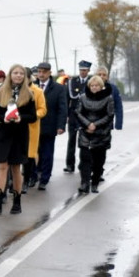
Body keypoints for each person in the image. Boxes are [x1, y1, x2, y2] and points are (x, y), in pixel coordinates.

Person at [0, 65, 38, 215]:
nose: (18, 76)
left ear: (25, 77)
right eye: (15, 73)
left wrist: (20, 118)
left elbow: (33, 116)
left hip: (19, 134)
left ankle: (17, 201)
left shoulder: (29, 94)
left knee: (16, 168)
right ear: (10, 75)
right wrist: (3, 118)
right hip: (3, 134)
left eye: (21, 73)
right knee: (2, 166)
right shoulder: (0, 92)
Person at [76, 75, 115, 194]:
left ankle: (95, 183)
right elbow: (78, 112)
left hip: (101, 134)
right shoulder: (82, 97)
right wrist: (88, 124)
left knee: (98, 161)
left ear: (101, 86)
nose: (94, 88)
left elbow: (109, 115)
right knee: (84, 160)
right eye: (92, 85)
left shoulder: (108, 98)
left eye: (96, 85)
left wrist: (95, 125)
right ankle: (84, 183)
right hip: (86, 132)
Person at [33, 62, 67, 190]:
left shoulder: (59, 88)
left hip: (49, 126)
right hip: (33, 125)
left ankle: (44, 179)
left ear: (49, 73)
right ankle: (33, 176)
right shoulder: (31, 86)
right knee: (33, 153)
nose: (41, 74)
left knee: (47, 154)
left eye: (44, 72)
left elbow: (62, 109)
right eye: (39, 72)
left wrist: (61, 126)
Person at [64, 60, 92, 173]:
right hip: (74, 115)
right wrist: (66, 115)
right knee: (71, 140)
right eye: (81, 70)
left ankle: (83, 165)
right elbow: (67, 100)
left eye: (85, 70)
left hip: (86, 116)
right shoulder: (72, 81)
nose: (83, 72)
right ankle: (70, 164)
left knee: (85, 142)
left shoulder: (92, 81)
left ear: (88, 71)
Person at [23, 75, 48, 189]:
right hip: (15, 126)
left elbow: (42, 109)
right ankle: (13, 180)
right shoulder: (14, 89)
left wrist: (32, 116)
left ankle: (26, 180)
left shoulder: (37, 91)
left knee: (29, 155)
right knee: (15, 154)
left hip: (31, 126)